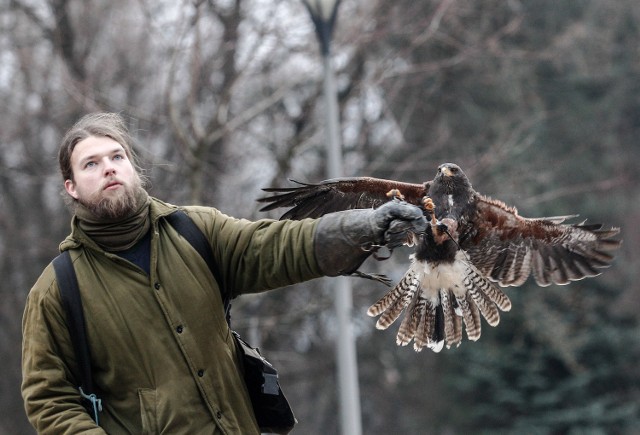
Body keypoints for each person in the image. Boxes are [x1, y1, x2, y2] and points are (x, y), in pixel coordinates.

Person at [21, 112, 426, 434]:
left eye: (117, 157)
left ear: (133, 168)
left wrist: (365, 225)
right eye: (91, 164)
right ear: (71, 187)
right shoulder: (58, 289)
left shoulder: (196, 231)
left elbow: (278, 247)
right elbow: (48, 399)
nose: (108, 168)